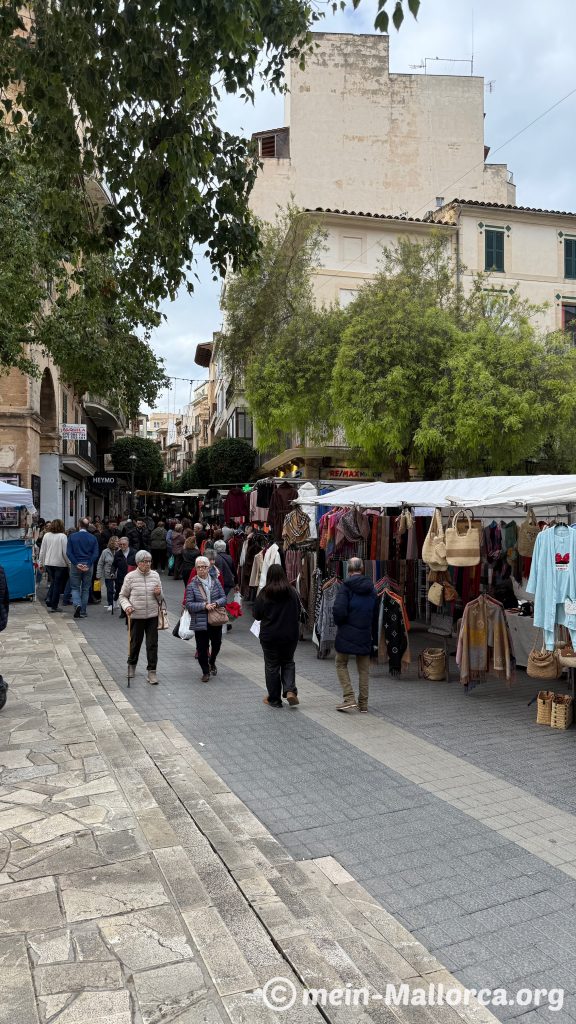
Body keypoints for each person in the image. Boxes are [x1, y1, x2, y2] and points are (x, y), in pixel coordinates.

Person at [332, 557, 377, 714]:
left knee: (340, 663)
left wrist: (341, 623)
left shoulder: (345, 587)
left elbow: (339, 611)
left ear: (349, 570)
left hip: (346, 632)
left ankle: (349, 698)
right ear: (362, 569)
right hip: (365, 632)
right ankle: (363, 704)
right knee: (364, 670)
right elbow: (375, 612)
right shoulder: (371, 588)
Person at [253, 564, 300, 709]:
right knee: (288, 661)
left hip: (270, 636)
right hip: (290, 635)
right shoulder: (292, 592)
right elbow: (298, 612)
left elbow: (257, 615)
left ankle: (274, 699)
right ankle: (290, 690)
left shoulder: (264, 593)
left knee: (272, 665)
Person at [119, 550, 163, 684]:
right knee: (135, 643)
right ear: (138, 563)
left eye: (149, 561)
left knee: (152, 644)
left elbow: (161, 598)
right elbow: (122, 596)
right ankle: (131, 665)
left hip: (152, 615)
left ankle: (152, 672)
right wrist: (127, 606)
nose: (147, 564)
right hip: (136, 615)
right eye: (144, 561)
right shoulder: (130, 577)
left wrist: (158, 594)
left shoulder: (155, 576)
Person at [185, 555, 226, 682]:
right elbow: (189, 604)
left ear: (208, 568)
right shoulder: (192, 585)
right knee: (201, 648)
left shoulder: (215, 581)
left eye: (204, 567)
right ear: (196, 569)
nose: (201, 569)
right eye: (199, 567)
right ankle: (205, 671)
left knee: (217, 644)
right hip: (200, 619)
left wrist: (216, 603)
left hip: (215, 619)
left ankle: (212, 661)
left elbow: (223, 597)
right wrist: (204, 605)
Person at [67, 518, 100, 618]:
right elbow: (95, 553)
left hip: (76, 565)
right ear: (88, 525)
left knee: (75, 587)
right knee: (86, 588)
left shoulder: (72, 537)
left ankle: (77, 604)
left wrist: (76, 563)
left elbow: (69, 552)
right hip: (88, 565)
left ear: (79, 525)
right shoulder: (93, 538)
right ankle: (83, 611)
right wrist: (89, 564)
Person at [38, 519, 70, 612]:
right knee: (57, 585)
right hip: (60, 563)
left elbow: (42, 551)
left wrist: (41, 563)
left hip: (49, 563)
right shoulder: (63, 536)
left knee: (54, 582)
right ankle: (54, 605)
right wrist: (69, 564)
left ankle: (49, 598)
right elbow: (65, 552)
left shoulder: (46, 535)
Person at [113, 537, 137, 618]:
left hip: (132, 577)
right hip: (121, 577)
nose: (122, 546)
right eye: (120, 544)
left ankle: (130, 610)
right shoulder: (118, 553)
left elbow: (138, 563)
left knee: (131, 594)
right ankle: (123, 612)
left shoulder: (134, 552)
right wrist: (112, 572)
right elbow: (114, 565)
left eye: (124, 544)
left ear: (128, 544)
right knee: (123, 595)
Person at [96, 536, 119, 611]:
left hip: (118, 573)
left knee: (118, 589)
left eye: (118, 541)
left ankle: (115, 602)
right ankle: (110, 604)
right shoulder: (105, 552)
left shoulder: (120, 551)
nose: (118, 543)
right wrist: (98, 574)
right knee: (110, 590)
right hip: (108, 573)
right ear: (111, 542)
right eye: (116, 541)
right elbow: (100, 563)